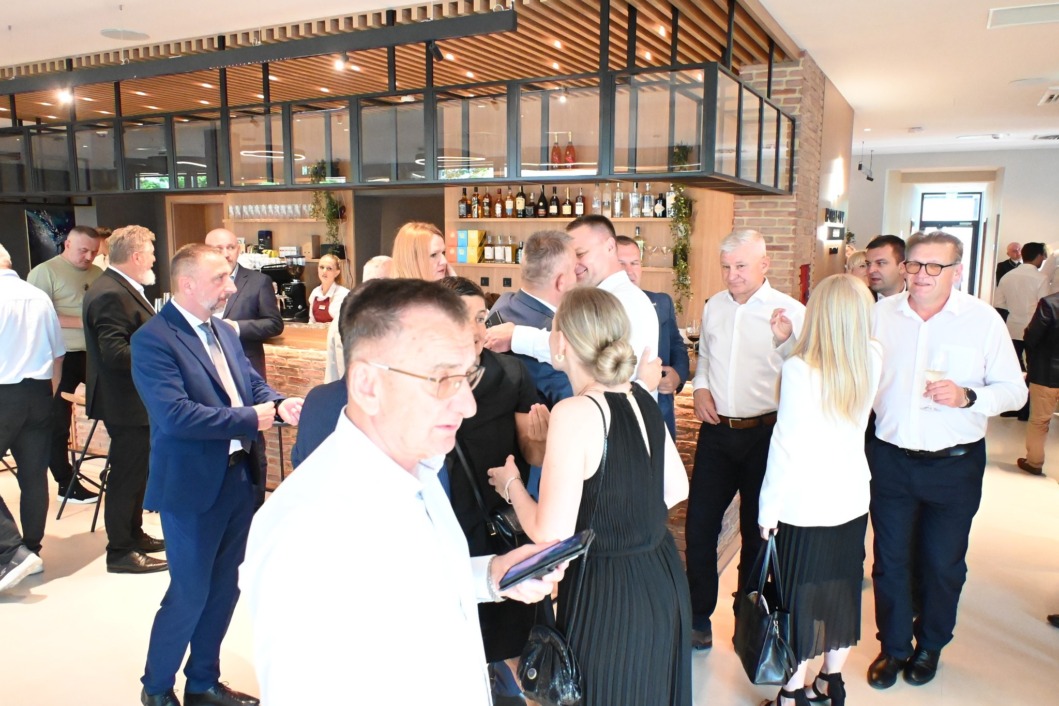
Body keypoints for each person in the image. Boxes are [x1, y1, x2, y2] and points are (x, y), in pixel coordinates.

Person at [238, 278, 565, 706]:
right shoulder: (307, 531)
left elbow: (409, 585)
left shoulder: (420, 470)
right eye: (442, 379)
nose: (468, 405)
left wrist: (492, 574)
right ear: (368, 386)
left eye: (467, 376)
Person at [487, 286, 692, 706]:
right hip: (662, 578)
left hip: (609, 592)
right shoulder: (640, 397)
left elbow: (550, 534)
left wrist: (511, 485)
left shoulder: (574, 412)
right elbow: (676, 488)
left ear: (561, 342)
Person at [131, 244, 304, 706]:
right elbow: (176, 416)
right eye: (220, 279)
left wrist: (279, 403)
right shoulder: (153, 339)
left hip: (239, 479)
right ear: (187, 284)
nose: (230, 287)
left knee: (225, 588)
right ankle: (156, 688)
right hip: (191, 485)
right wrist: (251, 418)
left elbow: (249, 385)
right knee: (190, 592)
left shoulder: (223, 330)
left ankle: (203, 682)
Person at [867, 231, 1025, 690]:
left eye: (934, 266)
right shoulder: (881, 315)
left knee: (942, 564)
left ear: (957, 272)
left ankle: (931, 644)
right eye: (915, 264)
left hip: (954, 466)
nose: (922, 275)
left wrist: (967, 396)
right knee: (890, 560)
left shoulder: (982, 320)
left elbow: (1015, 392)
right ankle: (894, 646)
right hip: (891, 459)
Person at [757, 274, 882, 706]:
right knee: (838, 591)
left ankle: (791, 693)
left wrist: (767, 509)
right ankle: (830, 681)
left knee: (798, 597)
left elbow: (786, 444)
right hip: (850, 499)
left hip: (803, 505)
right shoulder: (872, 356)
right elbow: (829, 371)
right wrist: (788, 344)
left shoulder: (800, 370)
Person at [685, 228, 805, 651]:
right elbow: (705, 358)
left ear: (764, 265)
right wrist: (700, 388)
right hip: (717, 433)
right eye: (726, 267)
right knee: (699, 527)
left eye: (740, 266)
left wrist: (785, 341)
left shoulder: (790, 311)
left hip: (765, 435)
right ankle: (698, 617)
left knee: (757, 533)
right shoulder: (714, 306)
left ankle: (747, 619)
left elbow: (804, 371)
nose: (731, 275)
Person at [439, 276, 547, 705]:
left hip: (498, 519)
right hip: (446, 517)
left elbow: (530, 453)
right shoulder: (426, 378)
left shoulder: (511, 372)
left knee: (512, 630)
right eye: (463, 319)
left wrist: (541, 440)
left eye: (481, 318)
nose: (477, 330)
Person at [484, 215, 660, 396]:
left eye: (580, 254)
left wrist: (517, 336)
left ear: (609, 246)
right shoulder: (600, 298)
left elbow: (582, 353)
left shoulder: (623, 301)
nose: (575, 265)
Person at [82, 225, 168, 575]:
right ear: (135, 257)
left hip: (134, 401)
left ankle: (134, 534)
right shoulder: (110, 293)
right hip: (125, 403)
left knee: (136, 473)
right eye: (150, 253)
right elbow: (116, 354)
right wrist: (165, 352)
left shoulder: (120, 287)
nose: (154, 259)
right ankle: (120, 550)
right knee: (126, 476)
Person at [0, 244, 63, 590]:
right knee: (34, 475)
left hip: (3, 392)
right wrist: (47, 394)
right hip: (39, 392)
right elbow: (58, 355)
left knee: (32, 476)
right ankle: (32, 549)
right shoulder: (39, 297)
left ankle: (12, 550)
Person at [27, 225, 104, 503]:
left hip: (93, 353)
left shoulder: (98, 273)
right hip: (60, 356)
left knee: (116, 411)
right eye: (83, 250)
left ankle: (119, 472)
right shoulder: (44, 272)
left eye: (94, 252)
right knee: (58, 420)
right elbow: (40, 316)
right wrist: (86, 322)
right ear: (67, 244)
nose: (88, 257)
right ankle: (65, 482)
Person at [488, 230, 578, 407]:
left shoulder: (503, 302)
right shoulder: (557, 341)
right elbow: (575, 405)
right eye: (575, 270)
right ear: (560, 282)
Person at [615, 235, 689, 438]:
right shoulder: (599, 306)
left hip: (659, 410)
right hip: (617, 413)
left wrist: (677, 376)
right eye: (621, 264)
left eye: (634, 263)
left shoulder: (662, 302)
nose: (629, 271)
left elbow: (677, 345)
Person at [203, 228, 284, 379]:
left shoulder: (259, 281)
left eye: (231, 247)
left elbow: (274, 324)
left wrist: (236, 327)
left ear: (239, 250)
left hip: (246, 370)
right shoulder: (198, 282)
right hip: (207, 369)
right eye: (219, 249)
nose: (226, 254)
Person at [1017, 289, 1059, 475]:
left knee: (1039, 422)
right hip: (1045, 372)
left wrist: (1032, 361)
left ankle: (1034, 462)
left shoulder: (1050, 303)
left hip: (1046, 373)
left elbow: (1032, 336)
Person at [994, 241, 1048, 366]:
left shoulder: (1007, 276)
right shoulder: (1041, 278)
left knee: (1011, 365)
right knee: (1033, 366)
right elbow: (1044, 306)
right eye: (1044, 255)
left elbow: (999, 304)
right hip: (1034, 329)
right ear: (1039, 256)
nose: (1044, 259)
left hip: (1012, 328)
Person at [307, 253, 349, 324]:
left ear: (337, 273)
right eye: (321, 267)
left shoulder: (343, 294)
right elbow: (311, 322)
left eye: (329, 268)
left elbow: (343, 324)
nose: (324, 271)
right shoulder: (315, 292)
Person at [864, 234, 906, 300]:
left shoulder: (919, 299)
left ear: (902, 268)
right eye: (868, 264)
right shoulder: (859, 300)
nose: (870, 270)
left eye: (880, 263)